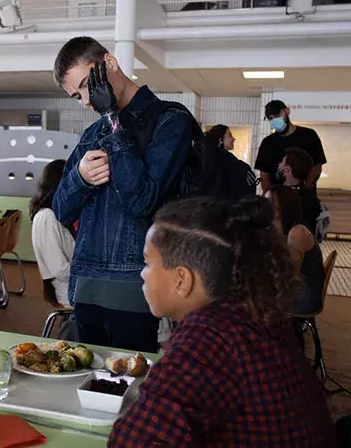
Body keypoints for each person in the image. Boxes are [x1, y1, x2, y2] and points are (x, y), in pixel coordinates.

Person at [109, 196, 337, 446]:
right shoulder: (257, 317)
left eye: (147, 262)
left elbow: (134, 441)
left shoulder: (207, 342)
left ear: (181, 280)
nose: (142, 273)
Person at [51, 36, 192, 352]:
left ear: (110, 63)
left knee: (130, 386)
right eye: (77, 96)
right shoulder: (93, 133)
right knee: (86, 381)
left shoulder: (170, 120)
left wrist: (111, 116)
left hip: (133, 284)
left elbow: (142, 200)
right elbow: (60, 209)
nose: (86, 100)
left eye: (88, 85)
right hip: (86, 283)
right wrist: (81, 178)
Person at [266, 185, 325, 315]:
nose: (265, 205)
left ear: (285, 205)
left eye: (271, 201)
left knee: (250, 299)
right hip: (292, 288)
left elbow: (290, 273)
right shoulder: (273, 230)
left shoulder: (297, 232)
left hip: (304, 294)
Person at [255, 99, 326, 193]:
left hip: (305, 199)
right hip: (278, 200)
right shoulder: (267, 143)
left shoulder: (309, 135)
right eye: (270, 119)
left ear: (287, 111)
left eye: (277, 116)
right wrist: (269, 196)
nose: (274, 121)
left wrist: (306, 188)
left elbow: (317, 166)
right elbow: (264, 174)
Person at [29, 160, 74, 308]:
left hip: (74, 284)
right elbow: (59, 269)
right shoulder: (47, 217)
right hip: (68, 290)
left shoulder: (56, 213)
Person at [277, 147, 324, 239]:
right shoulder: (310, 198)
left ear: (287, 169)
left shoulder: (280, 197)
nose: (279, 165)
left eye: (281, 162)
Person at [204, 124, 257, 200]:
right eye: (230, 136)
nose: (234, 139)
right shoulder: (229, 161)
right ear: (220, 140)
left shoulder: (207, 157)